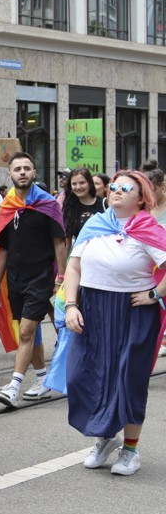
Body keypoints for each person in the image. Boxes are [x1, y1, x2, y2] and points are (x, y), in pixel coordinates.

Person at [63, 171, 166, 476]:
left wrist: (154, 294)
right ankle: (106, 438)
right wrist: (71, 305)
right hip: (92, 308)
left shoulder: (149, 229)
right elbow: (74, 267)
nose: (117, 191)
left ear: (140, 198)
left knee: (128, 379)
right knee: (86, 374)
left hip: (132, 311)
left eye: (126, 188)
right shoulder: (94, 225)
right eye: (114, 187)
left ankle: (130, 451)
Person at [0, 152, 66, 407]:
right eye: (17, 168)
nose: (22, 172)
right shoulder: (7, 207)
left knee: (28, 331)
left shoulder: (47, 204)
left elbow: (59, 243)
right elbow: (4, 249)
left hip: (41, 277)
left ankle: (14, 386)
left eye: (26, 168)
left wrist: (61, 277)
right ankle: (41, 378)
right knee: (29, 334)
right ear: (9, 174)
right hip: (15, 278)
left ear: (34, 172)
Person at [61, 167, 106, 245]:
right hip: (79, 255)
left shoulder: (105, 204)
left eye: (82, 183)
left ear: (90, 183)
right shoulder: (69, 207)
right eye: (74, 184)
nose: (78, 187)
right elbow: (68, 241)